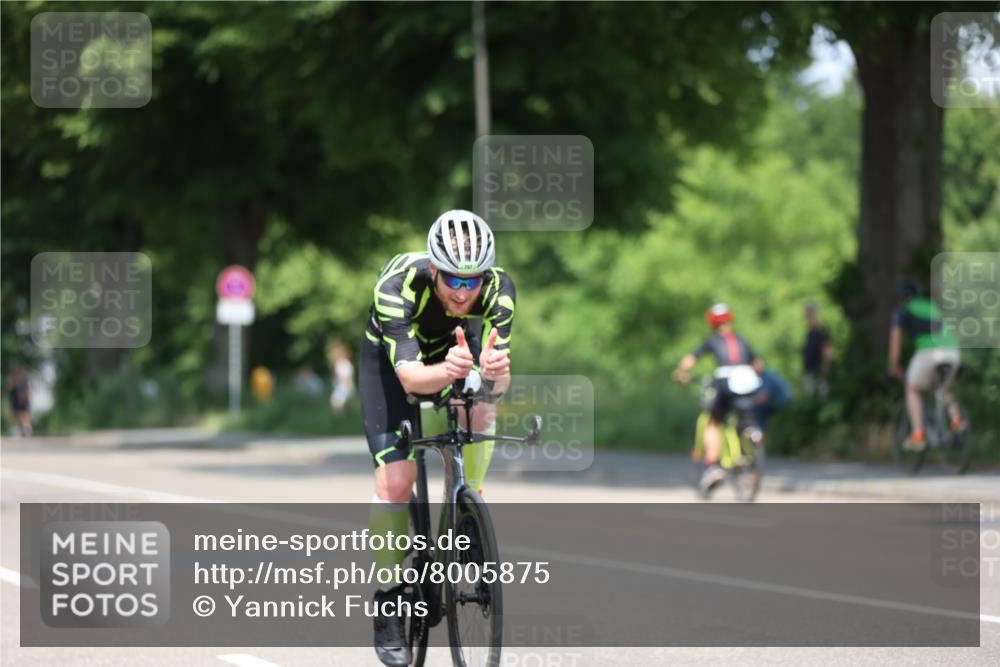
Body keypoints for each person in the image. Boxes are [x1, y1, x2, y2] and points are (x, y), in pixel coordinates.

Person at [361, 209, 514, 666]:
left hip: (454, 348)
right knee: (396, 482)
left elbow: (498, 384)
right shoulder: (396, 288)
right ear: (434, 269)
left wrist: (495, 373)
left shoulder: (499, 289)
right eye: (453, 280)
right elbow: (410, 380)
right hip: (392, 365)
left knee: (482, 406)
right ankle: (390, 600)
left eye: (473, 281)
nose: (463, 292)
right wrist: (447, 372)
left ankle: (467, 509)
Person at [672, 304, 764, 497]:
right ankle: (748, 445)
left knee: (713, 422)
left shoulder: (713, 341)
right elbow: (758, 364)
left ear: (712, 322)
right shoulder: (742, 339)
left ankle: (712, 465)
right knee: (744, 418)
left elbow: (690, 359)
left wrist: (681, 372)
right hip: (747, 382)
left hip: (725, 383)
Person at [888, 282, 962, 451]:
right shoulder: (931, 306)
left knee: (912, 388)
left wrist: (894, 366)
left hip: (930, 352)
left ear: (901, 299)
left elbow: (895, 341)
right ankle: (957, 422)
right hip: (953, 351)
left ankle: (918, 435)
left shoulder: (902, 310)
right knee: (942, 389)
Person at [802, 302, 832, 397]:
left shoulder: (820, 329)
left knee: (822, 396)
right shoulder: (810, 332)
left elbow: (827, 349)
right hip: (811, 372)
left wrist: (825, 366)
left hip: (819, 372)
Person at [327, 340, 354, 412]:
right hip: (340, 388)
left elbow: (347, 379)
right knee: (335, 403)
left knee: (337, 403)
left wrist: (347, 391)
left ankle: (343, 415)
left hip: (345, 388)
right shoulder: (338, 364)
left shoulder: (345, 364)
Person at [6, 364, 32, 437]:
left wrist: (27, 397)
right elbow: (9, 388)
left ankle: (27, 430)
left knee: (23, 415)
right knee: (15, 415)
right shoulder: (12, 378)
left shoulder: (24, 379)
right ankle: (20, 430)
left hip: (22, 399)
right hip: (15, 399)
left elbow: (28, 389)